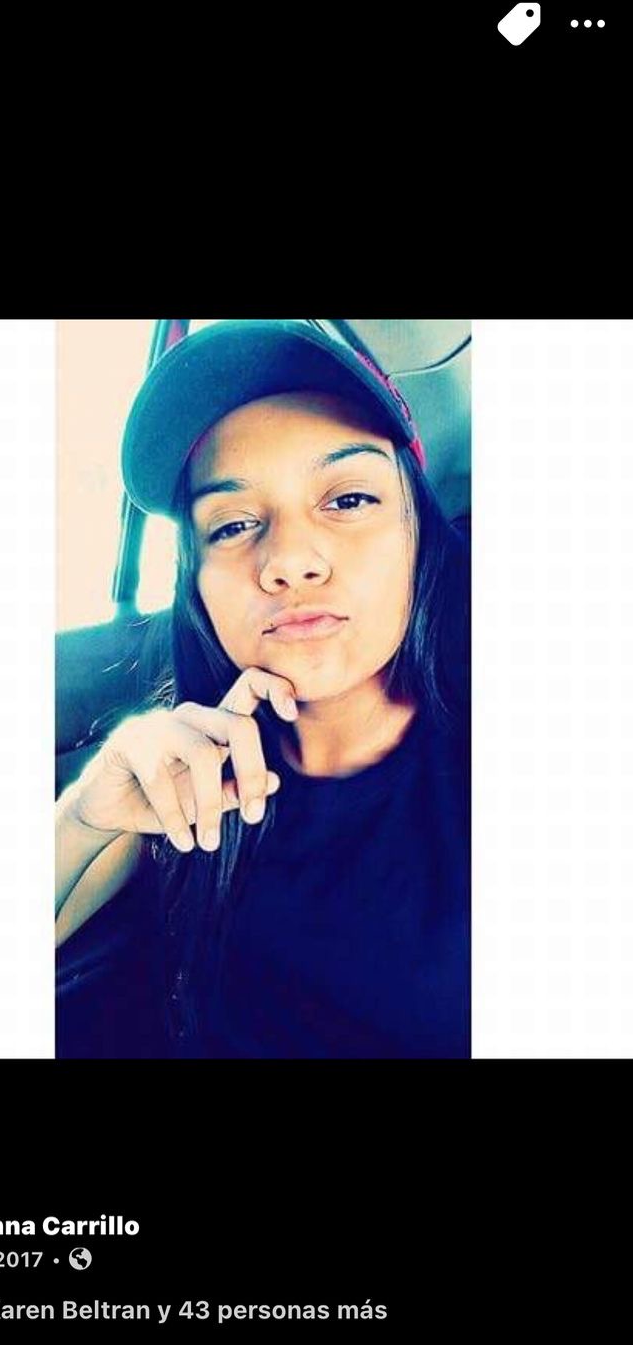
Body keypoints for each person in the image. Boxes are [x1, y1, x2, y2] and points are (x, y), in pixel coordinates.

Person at [56, 320, 470, 1059]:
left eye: (348, 500)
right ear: (196, 583)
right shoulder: (190, 772)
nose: (288, 560)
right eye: (233, 524)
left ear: (419, 532)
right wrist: (84, 815)